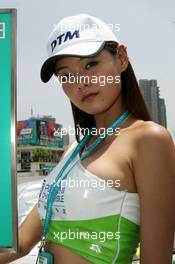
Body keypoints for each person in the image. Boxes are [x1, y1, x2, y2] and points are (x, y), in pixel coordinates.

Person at [0, 13, 175, 264]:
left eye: (90, 65)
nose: (80, 82)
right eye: (67, 76)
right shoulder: (72, 150)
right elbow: (20, 244)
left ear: (122, 58)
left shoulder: (149, 140)